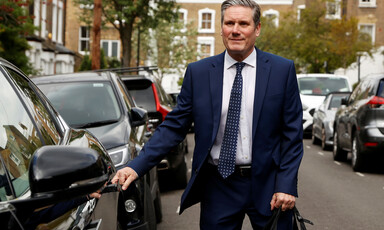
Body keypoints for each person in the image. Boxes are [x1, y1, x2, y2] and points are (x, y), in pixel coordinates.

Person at [112, 0, 303, 229]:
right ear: (221, 28)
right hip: (219, 185)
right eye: (229, 22)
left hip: (269, 185)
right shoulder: (198, 73)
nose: (235, 29)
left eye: (243, 23)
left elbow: (292, 134)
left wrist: (286, 185)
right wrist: (136, 166)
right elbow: (174, 126)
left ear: (257, 28)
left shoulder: (282, 71)